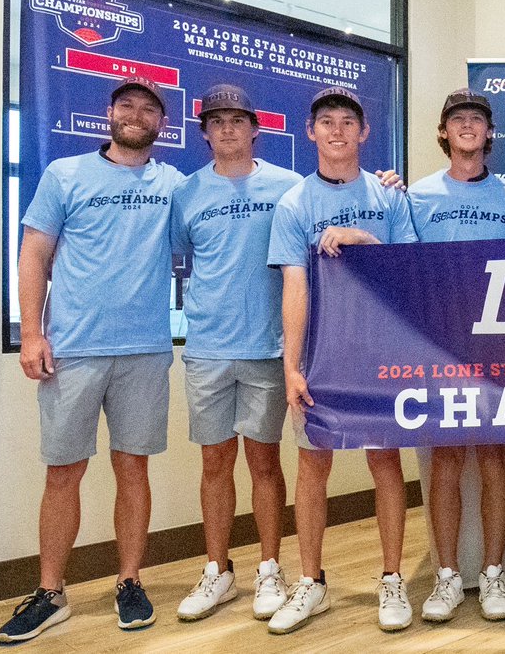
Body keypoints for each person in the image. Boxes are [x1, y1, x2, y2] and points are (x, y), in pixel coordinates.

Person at [0, 76, 182, 642]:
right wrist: (32, 333)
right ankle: (51, 592)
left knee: (134, 470)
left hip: (146, 352)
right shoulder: (65, 174)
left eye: (147, 107)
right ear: (109, 113)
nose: (135, 113)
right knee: (64, 473)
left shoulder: (175, 183)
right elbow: (34, 255)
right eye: (126, 103)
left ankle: (129, 580)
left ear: (160, 124)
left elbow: (238, 209)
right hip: (73, 350)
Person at [264, 86, 418, 634]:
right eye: (325, 121)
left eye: (347, 122)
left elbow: (409, 276)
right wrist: (292, 366)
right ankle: (312, 581)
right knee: (313, 465)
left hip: (380, 355)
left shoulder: (389, 197)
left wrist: (362, 240)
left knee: (385, 464)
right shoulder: (295, 204)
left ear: (363, 132)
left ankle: (392, 578)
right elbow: (294, 287)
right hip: (322, 357)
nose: (336, 130)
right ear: (310, 132)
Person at [171, 84, 301, 623]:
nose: (227, 129)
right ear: (205, 133)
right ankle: (217, 570)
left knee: (264, 462)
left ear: (255, 128)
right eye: (216, 121)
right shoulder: (187, 192)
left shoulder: (289, 186)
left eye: (237, 120)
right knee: (214, 463)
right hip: (206, 349)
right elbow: (181, 256)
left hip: (268, 349)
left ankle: (269, 568)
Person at [408, 88, 505, 624]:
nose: (468, 126)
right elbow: (398, 267)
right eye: (458, 120)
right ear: (444, 132)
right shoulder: (415, 194)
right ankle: (449, 573)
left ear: (489, 132)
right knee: (447, 459)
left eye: (477, 119)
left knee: (495, 458)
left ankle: (495, 571)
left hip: (498, 345)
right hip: (438, 346)